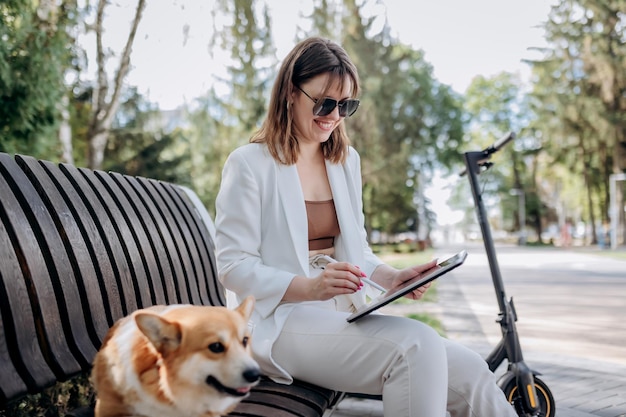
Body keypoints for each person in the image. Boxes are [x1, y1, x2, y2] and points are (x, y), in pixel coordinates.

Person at [215, 37, 517, 417]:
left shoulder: (344, 161)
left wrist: (391, 279)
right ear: (291, 92)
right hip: (277, 322)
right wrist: (309, 288)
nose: (334, 115)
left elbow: (356, 249)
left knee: (471, 371)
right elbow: (232, 266)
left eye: (346, 105)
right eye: (325, 102)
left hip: (340, 313)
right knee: (414, 345)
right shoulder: (249, 163)